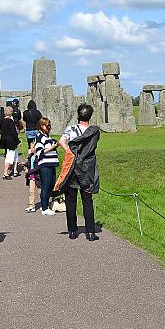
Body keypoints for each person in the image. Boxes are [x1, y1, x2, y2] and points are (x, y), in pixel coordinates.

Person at [56, 103, 100, 241]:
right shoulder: (94, 132)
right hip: (87, 169)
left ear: (78, 115)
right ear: (90, 116)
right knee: (87, 201)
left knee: (71, 201)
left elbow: (61, 141)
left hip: (73, 168)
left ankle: (73, 231)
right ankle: (91, 232)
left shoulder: (72, 129)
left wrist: (70, 152)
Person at [34, 117, 59, 216]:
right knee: (46, 185)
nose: (48, 127)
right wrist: (52, 147)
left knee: (51, 185)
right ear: (41, 126)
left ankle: (46, 204)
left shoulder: (47, 136)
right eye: (46, 125)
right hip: (45, 164)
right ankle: (44, 208)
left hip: (52, 163)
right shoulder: (39, 136)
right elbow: (40, 152)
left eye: (49, 125)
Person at [0, 106, 20, 179]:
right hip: (11, 141)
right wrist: (18, 141)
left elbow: (1, 130)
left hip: (5, 140)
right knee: (9, 157)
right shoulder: (10, 121)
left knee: (15, 155)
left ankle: (15, 170)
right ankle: (5, 173)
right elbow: (13, 132)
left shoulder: (2, 120)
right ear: (11, 113)